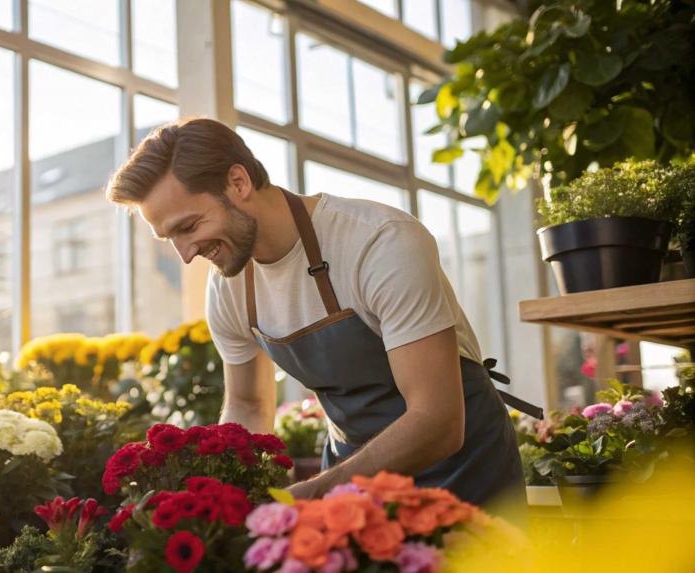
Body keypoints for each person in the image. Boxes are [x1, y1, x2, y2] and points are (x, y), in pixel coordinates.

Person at [105, 118, 539, 508]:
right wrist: (225, 501)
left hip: (465, 477)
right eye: (170, 239)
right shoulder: (230, 288)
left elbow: (439, 421)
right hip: (353, 484)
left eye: (190, 226)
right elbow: (249, 403)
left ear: (238, 182)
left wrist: (313, 492)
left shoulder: (379, 242)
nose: (185, 255)